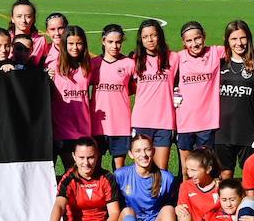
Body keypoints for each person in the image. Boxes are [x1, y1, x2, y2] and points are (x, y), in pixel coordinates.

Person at [114, 135, 179, 221]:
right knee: (126, 211)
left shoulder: (166, 178)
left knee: (169, 209)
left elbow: (171, 206)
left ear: (153, 151)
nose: (143, 155)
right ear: (131, 154)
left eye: (147, 150)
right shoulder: (120, 175)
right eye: (137, 151)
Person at [216, 20, 254, 178]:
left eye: (243, 38)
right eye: (233, 39)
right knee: (225, 175)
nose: (239, 43)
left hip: (249, 132)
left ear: (249, 38)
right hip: (221, 131)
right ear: (227, 40)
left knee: (250, 177)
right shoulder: (219, 62)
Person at [130, 19, 178, 172]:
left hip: (164, 122)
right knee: (143, 170)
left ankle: (160, 197)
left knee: (160, 171)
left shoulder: (174, 58)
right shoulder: (134, 60)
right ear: (141, 39)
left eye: (153, 35)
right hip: (141, 121)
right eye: (145, 37)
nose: (150, 40)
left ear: (160, 36)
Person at [174, 21, 224, 169]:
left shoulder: (215, 52)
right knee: (186, 169)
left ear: (204, 37)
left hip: (207, 123)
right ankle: (185, 192)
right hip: (184, 122)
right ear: (183, 42)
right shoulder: (177, 58)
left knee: (205, 167)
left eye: (197, 38)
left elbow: (239, 49)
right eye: (189, 40)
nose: (194, 43)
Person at [90, 24, 135, 169]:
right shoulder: (93, 64)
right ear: (103, 41)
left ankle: (117, 192)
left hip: (120, 123)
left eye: (118, 42)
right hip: (98, 124)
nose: (115, 46)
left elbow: (134, 88)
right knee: (95, 165)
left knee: (119, 168)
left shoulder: (129, 64)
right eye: (110, 42)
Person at [47, 26, 92, 161]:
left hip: (83, 129)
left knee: (81, 173)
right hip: (61, 130)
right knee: (70, 171)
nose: (75, 47)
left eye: (79, 43)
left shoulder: (88, 66)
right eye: (71, 43)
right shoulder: (54, 67)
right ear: (64, 44)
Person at [7, 0, 49, 65]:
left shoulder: (40, 41)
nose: (23, 20)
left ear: (34, 19)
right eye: (19, 16)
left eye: (28, 16)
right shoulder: (6, 38)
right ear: (12, 18)